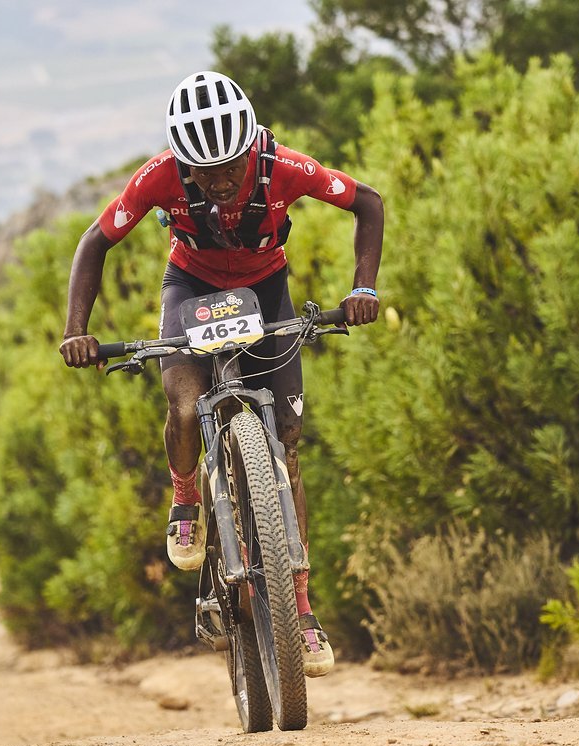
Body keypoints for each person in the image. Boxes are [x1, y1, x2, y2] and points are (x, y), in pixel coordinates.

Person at [60, 71, 383, 677]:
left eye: (229, 167)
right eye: (204, 173)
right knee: (184, 405)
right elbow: (94, 242)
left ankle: (302, 611)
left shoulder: (284, 166)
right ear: (183, 163)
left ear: (249, 147)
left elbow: (367, 201)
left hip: (267, 289)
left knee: (286, 452)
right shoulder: (159, 176)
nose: (219, 182)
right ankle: (186, 499)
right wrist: (78, 329)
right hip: (192, 286)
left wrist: (363, 288)